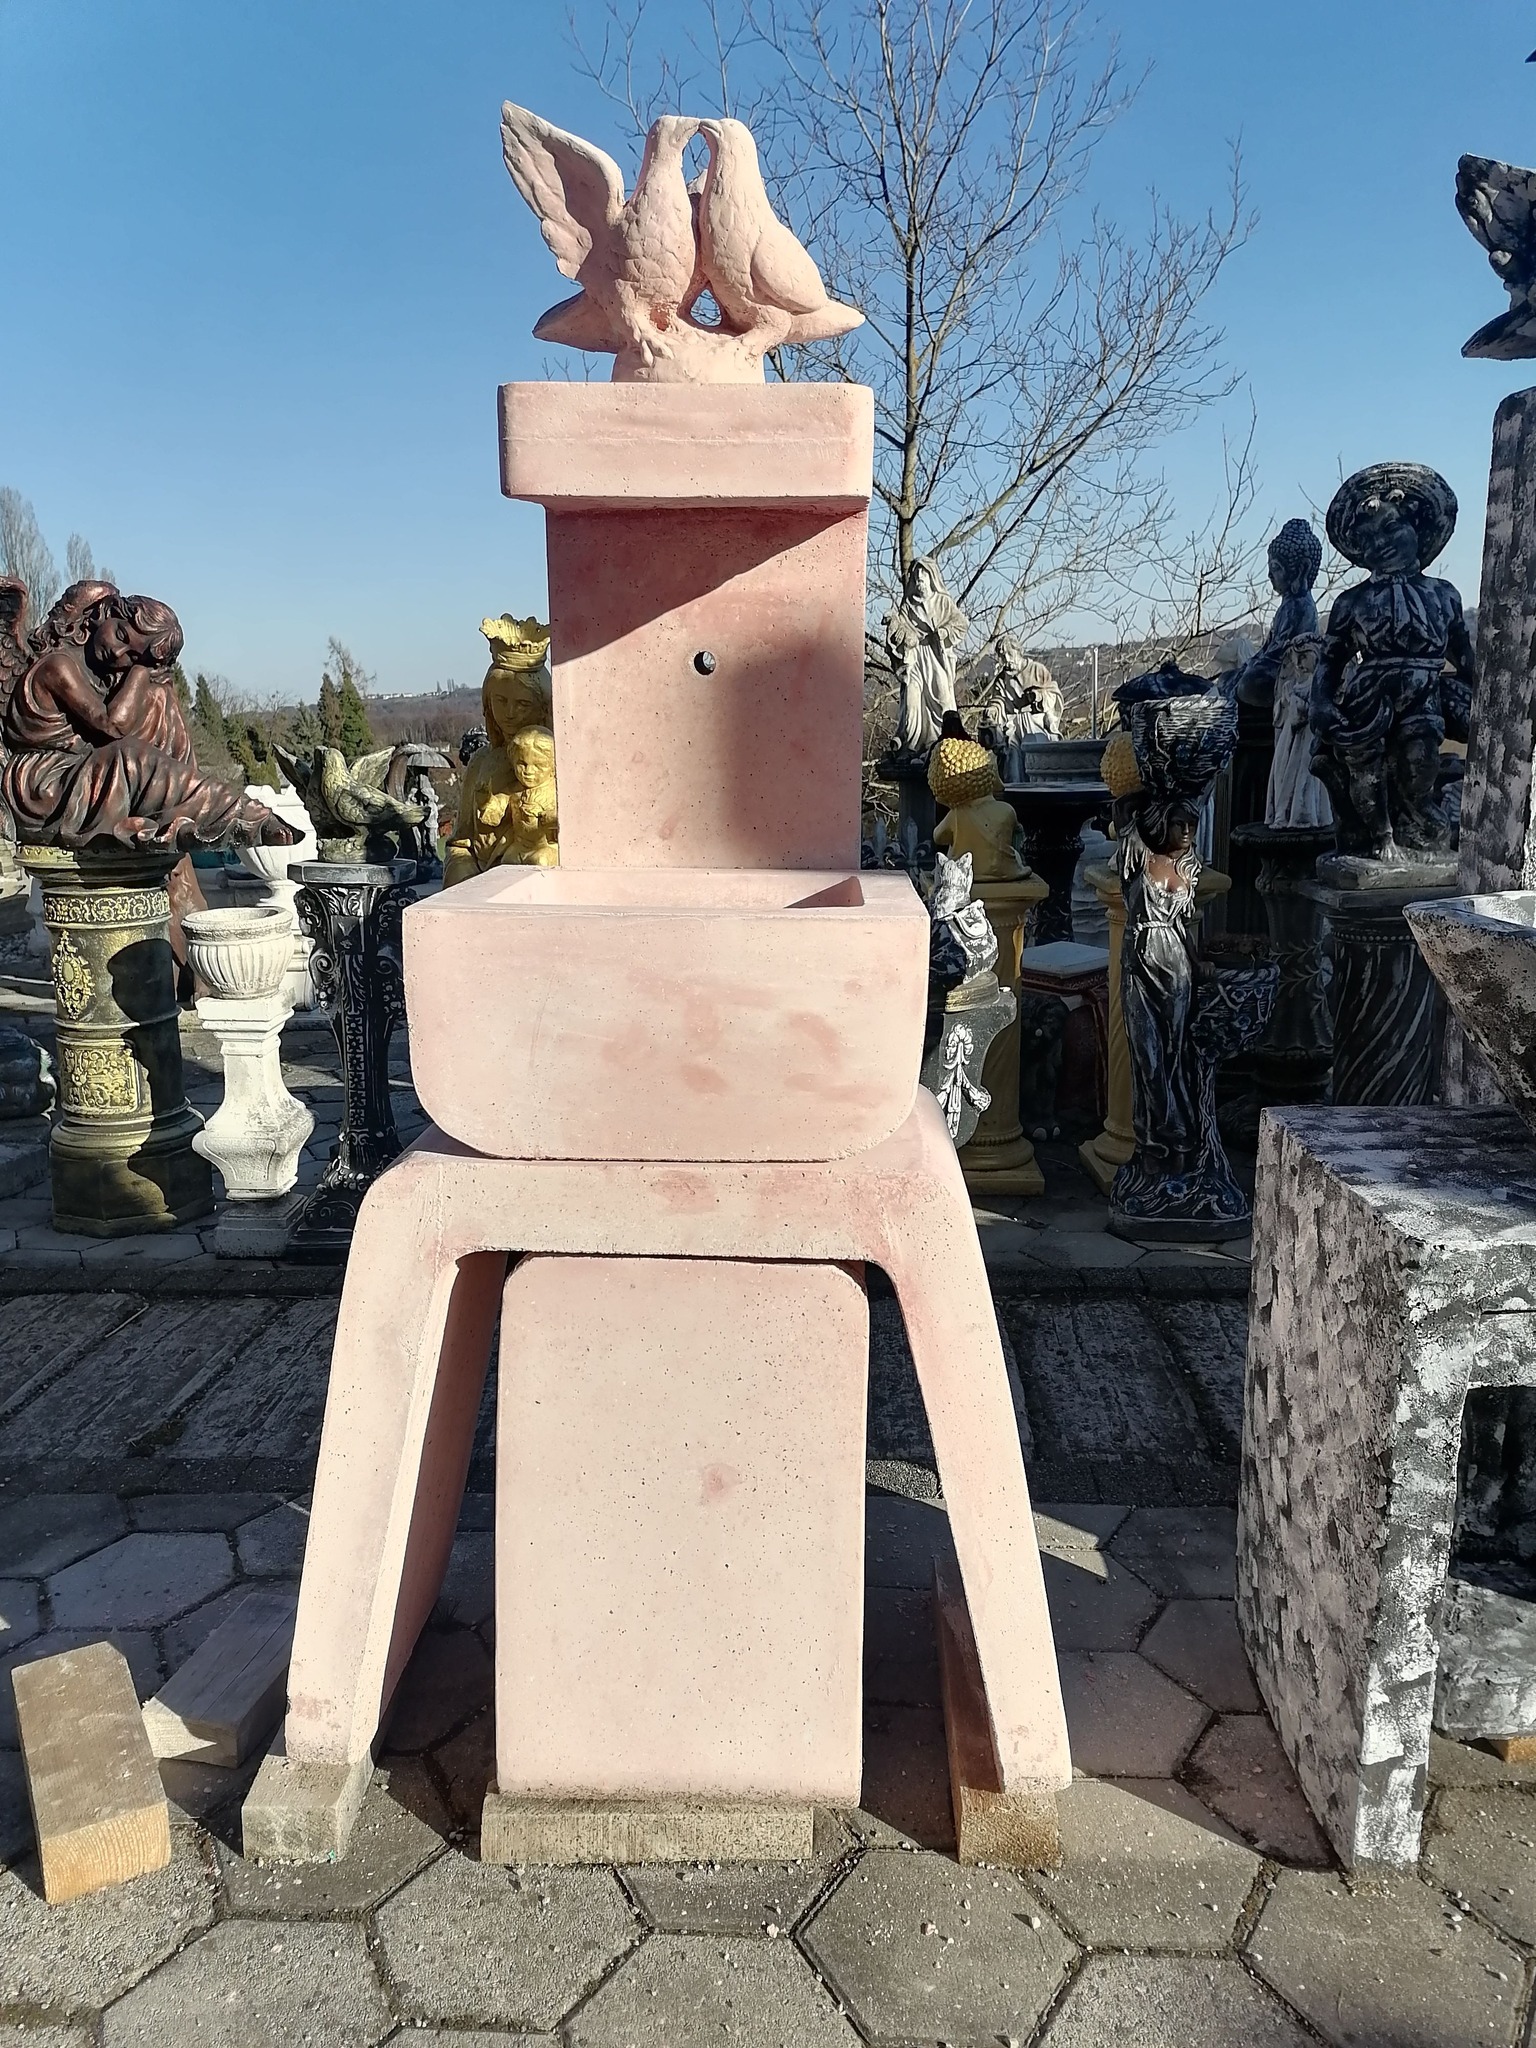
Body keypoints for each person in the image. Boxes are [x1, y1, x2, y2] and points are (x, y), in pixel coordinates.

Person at [0, 582, 292, 853]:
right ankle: (237, 814)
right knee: (128, 756)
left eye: (132, 656)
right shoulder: (58, 665)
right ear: (104, 614)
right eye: (121, 635)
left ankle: (186, 813)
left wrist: (149, 671)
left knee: (159, 699)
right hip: (43, 782)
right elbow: (112, 725)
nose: (118, 653)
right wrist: (141, 669)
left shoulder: (102, 672)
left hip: (81, 767)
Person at [1310, 465, 1475, 861]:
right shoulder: (1352, 602)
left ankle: (1420, 831)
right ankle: (1379, 838)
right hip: (1368, 697)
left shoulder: (1444, 595)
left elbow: (1463, 654)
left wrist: (1482, 690)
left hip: (1424, 693)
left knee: (1420, 764)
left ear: (1416, 528)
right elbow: (1330, 661)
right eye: (1368, 539)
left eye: (1390, 529)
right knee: (1367, 773)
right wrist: (1321, 703)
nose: (1380, 544)